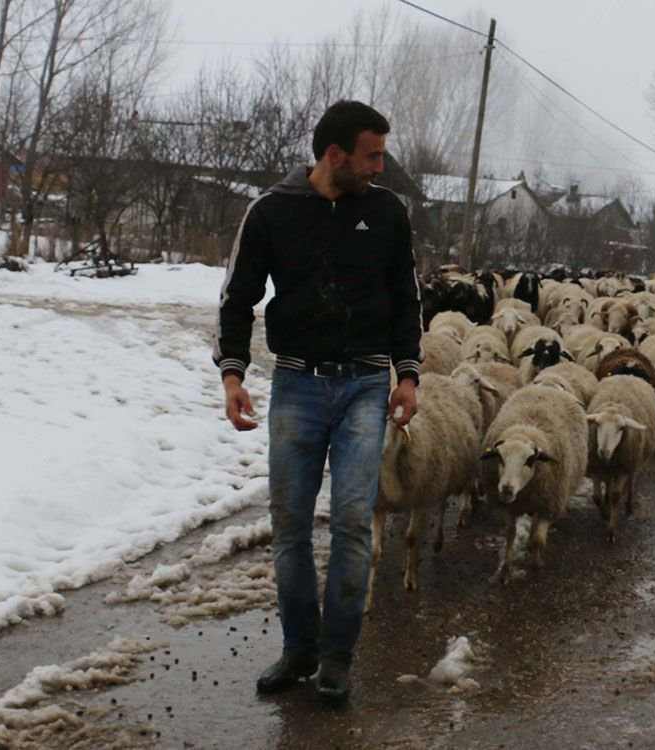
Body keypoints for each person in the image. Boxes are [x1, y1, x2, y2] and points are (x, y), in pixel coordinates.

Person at [212, 100, 422, 705]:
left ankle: (337, 657)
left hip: (363, 386)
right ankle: (299, 648)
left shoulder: (387, 214)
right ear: (335, 156)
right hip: (297, 386)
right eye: (371, 155)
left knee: (354, 521)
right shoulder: (272, 212)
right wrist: (233, 375)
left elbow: (406, 299)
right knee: (290, 526)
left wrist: (407, 375)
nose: (380, 167)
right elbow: (237, 298)